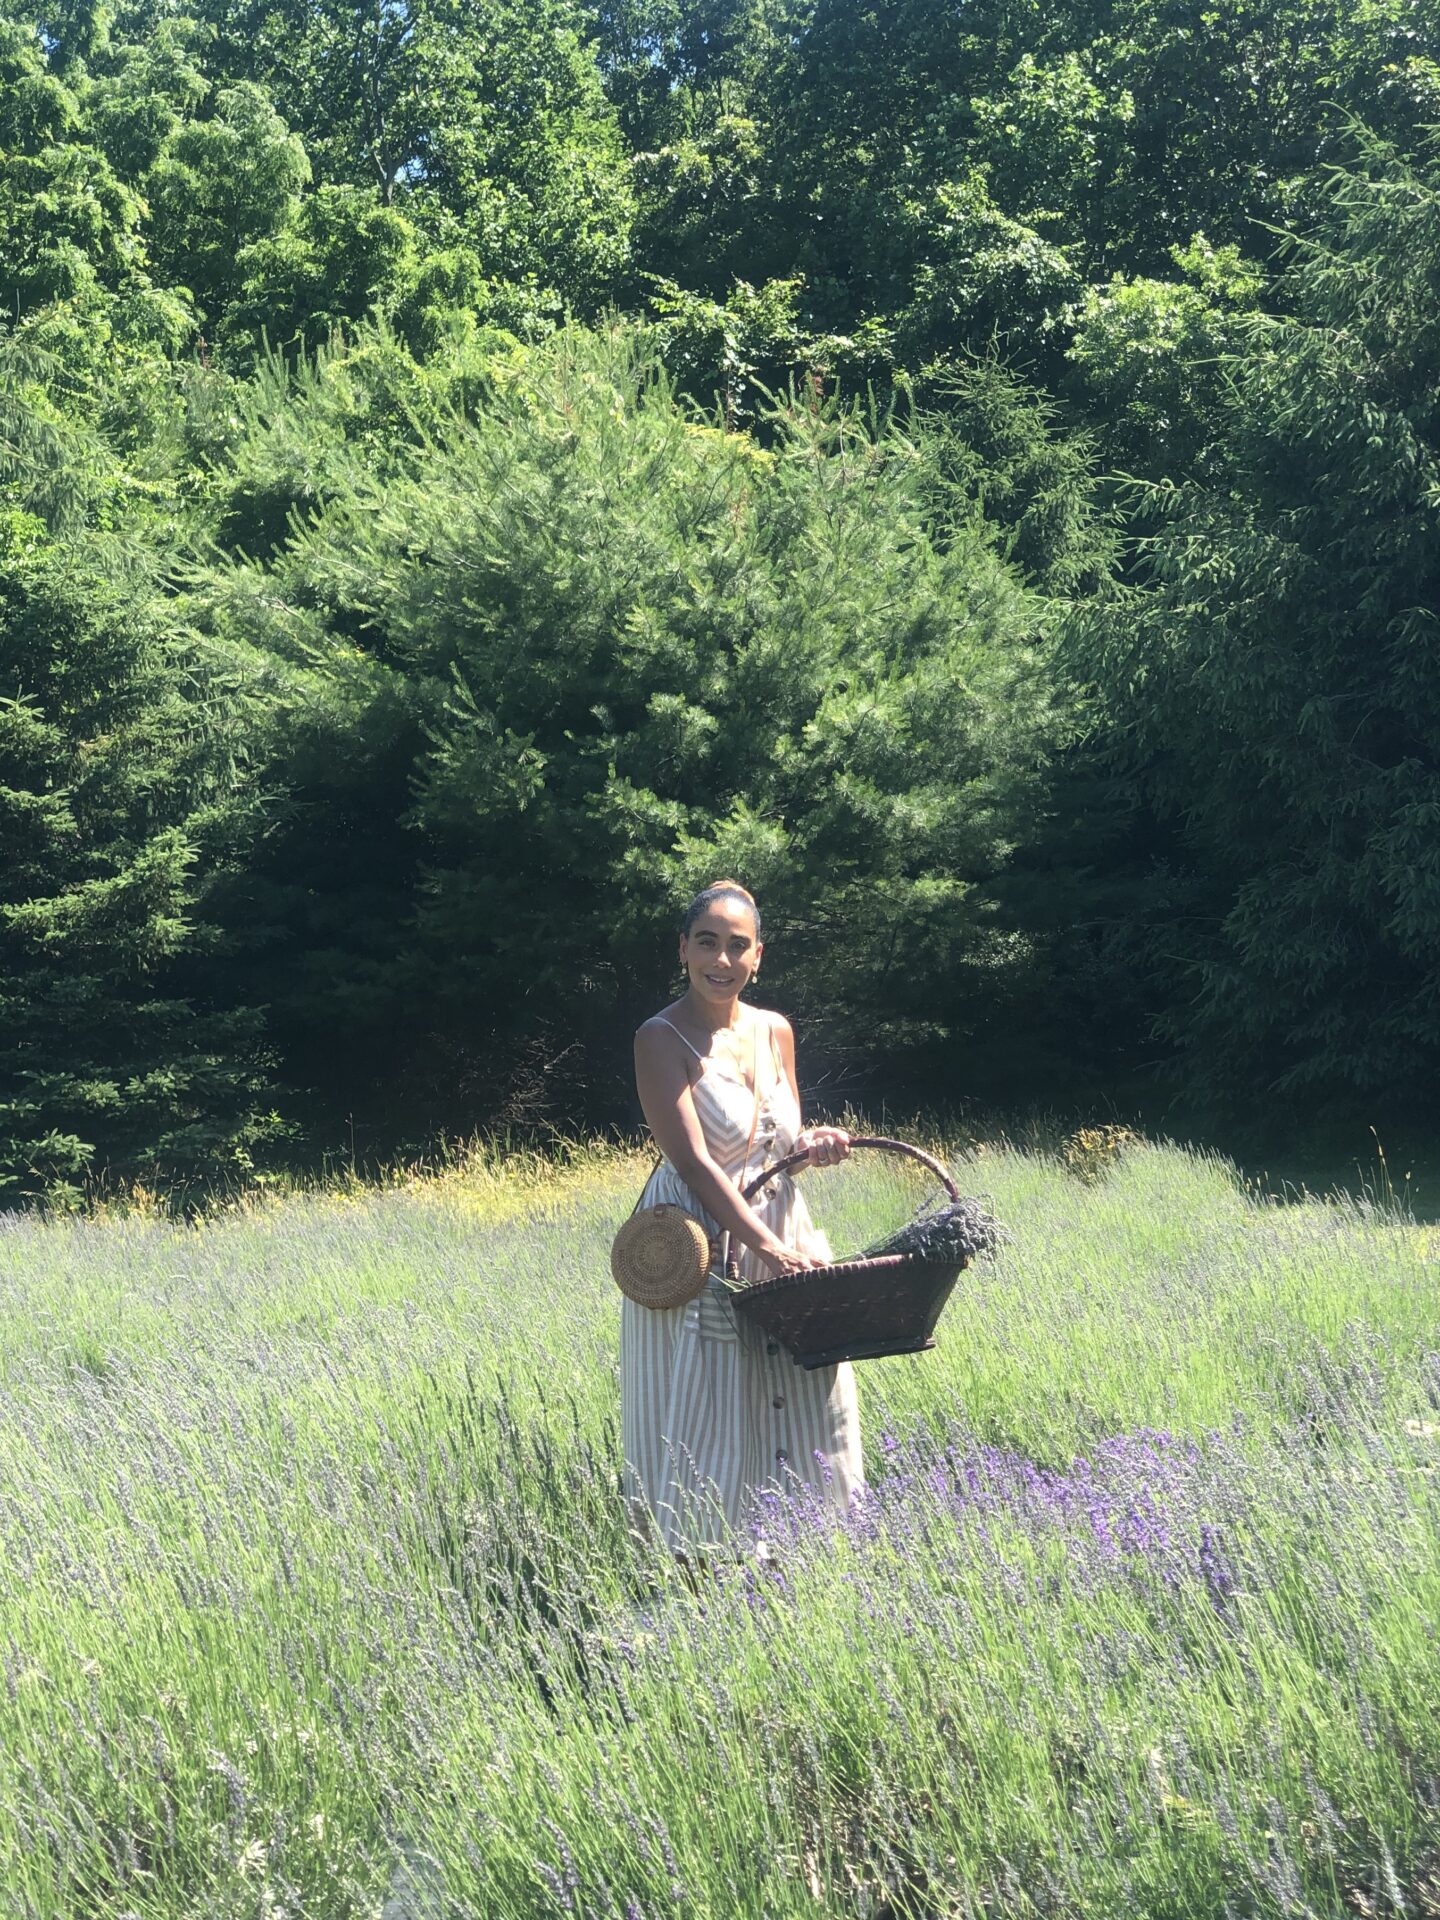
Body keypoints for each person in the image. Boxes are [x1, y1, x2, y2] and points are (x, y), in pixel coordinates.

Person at [621, 880, 864, 1557]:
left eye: (737, 946)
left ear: (758, 955)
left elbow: (779, 1144)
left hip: (781, 1232)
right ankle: (700, 1570)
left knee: (809, 1386)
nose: (721, 960)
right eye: (707, 942)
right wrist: (762, 1246)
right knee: (713, 1411)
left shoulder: (775, 1030)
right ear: (683, 949)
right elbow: (697, 1163)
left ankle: (808, 1557)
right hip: (699, 1247)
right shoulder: (660, 1038)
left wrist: (817, 1146)